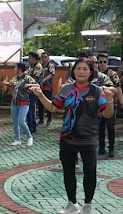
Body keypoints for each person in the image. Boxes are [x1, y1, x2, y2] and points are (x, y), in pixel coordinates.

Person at [33, 58, 114, 214]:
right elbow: (53, 108)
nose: (81, 71)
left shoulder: (97, 91)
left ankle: (88, 205)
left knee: (90, 172)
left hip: (89, 138)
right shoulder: (66, 89)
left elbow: (107, 114)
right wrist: (40, 94)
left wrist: (109, 101)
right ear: (73, 71)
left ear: (91, 72)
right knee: (68, 172)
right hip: (67, 138)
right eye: (78, 68)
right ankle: (72, 204)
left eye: (85, 69)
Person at [97, 53, 123, 157]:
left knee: (110, 127)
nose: (102, 64)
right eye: (100, 62)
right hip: (97, 105)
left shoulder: (112, 74)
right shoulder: (94, 74)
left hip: (111, 104)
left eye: (104, 62)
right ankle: (101, 147)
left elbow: (118, 88)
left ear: (107, 62)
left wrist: (122, 103)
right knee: (100, 127)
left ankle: (111, 148)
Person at [2, 62, 35, 146]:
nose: (14, 69)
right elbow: (10, 84)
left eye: (15, 67)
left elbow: (36, 85)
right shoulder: (15, 78)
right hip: (14, 103)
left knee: (21, 121)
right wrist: (5, 83)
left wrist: (28, 85)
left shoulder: (27, 78)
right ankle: (17, 139)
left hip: (24, 102)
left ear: (20, 68)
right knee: (15, 122)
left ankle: (29, 137)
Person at [25, 52, 42, 133]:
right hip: (29, 89)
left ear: (34, 59)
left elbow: (34, 79)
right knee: (30, 107)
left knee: (30, 107)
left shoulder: (38, 67)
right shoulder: (30, 67)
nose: (28, 60)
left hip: (34, 89)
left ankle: (31, 126)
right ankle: (31, 125)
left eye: (30, 58)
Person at [38, 52, 55, 126]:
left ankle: (49, 118)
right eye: (42, 57)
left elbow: (51, 74)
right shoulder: (39, 66)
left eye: (45, 57)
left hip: (48, 87)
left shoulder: (50, 66)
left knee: (48, 103)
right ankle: (41, 119)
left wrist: (43, 80)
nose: (44, 59)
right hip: (40, 87)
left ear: (48, 58)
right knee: (40, 103)